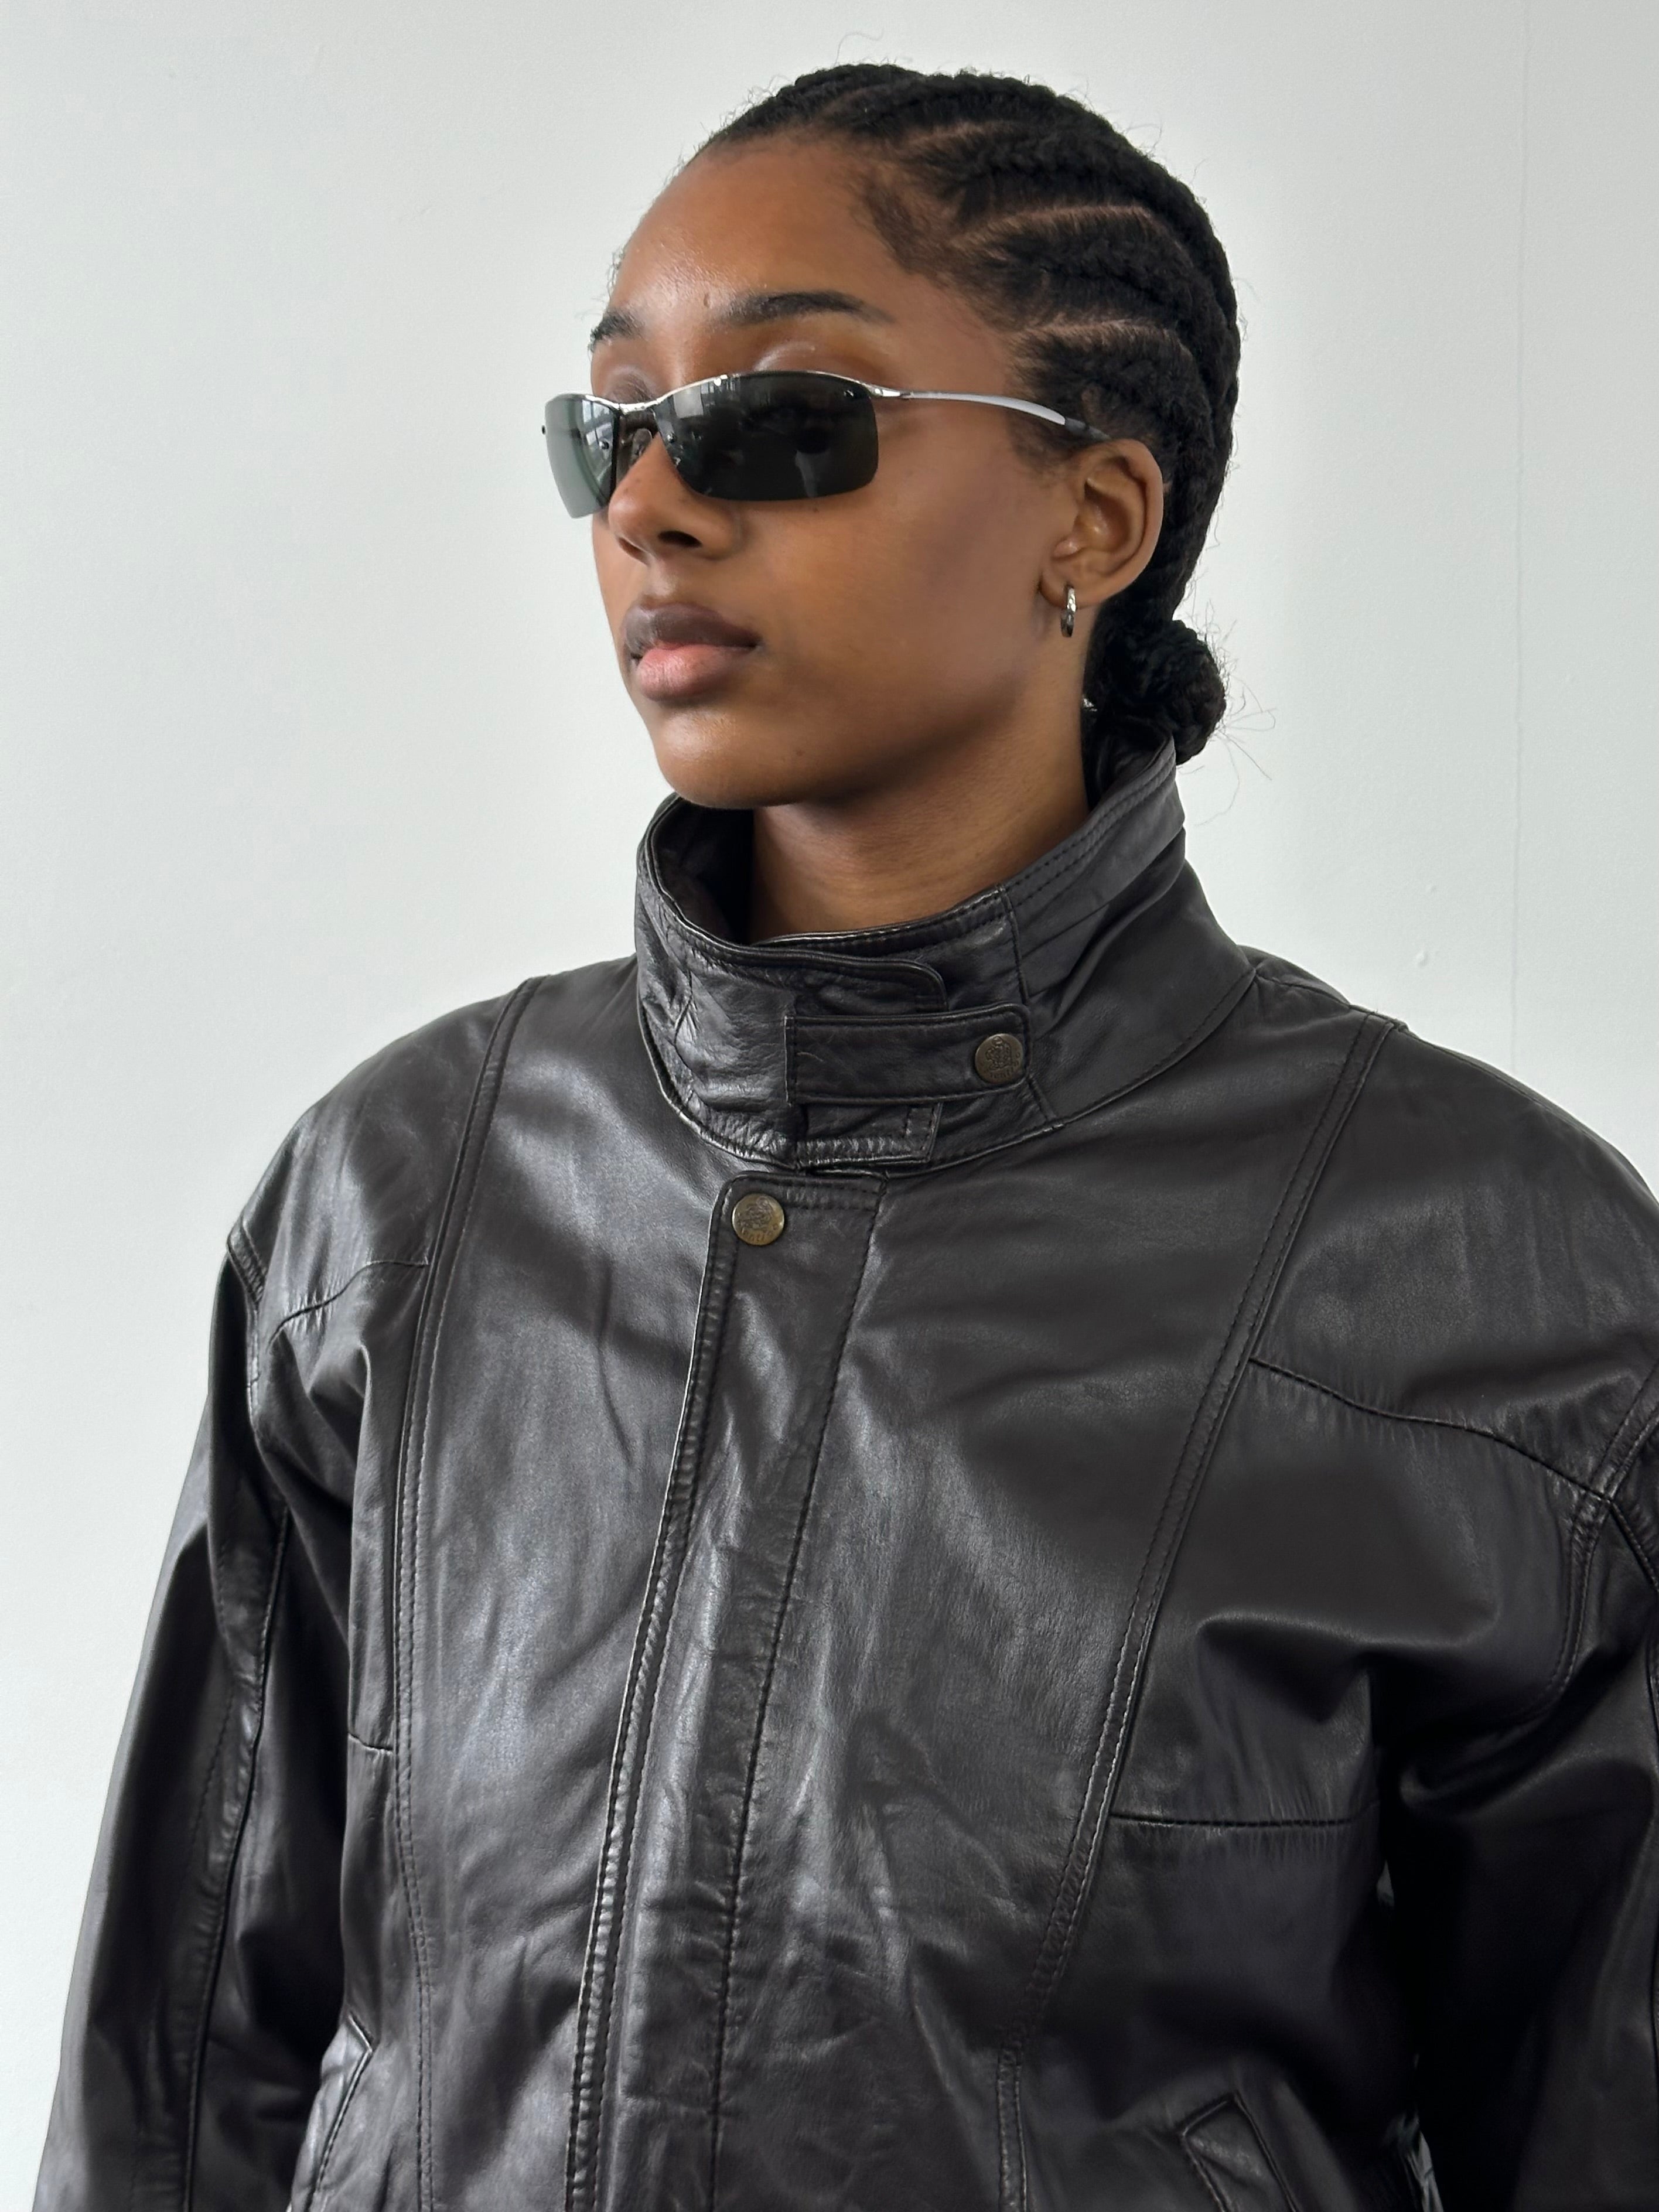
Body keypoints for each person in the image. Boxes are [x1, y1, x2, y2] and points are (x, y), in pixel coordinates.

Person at [35, 62, 1659, 2212]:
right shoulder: (399, 1199)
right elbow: (183, 2086)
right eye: (614, 426)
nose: (653, 507)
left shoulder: (1490, 1276)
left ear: (1096, 519)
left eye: (782, 418)